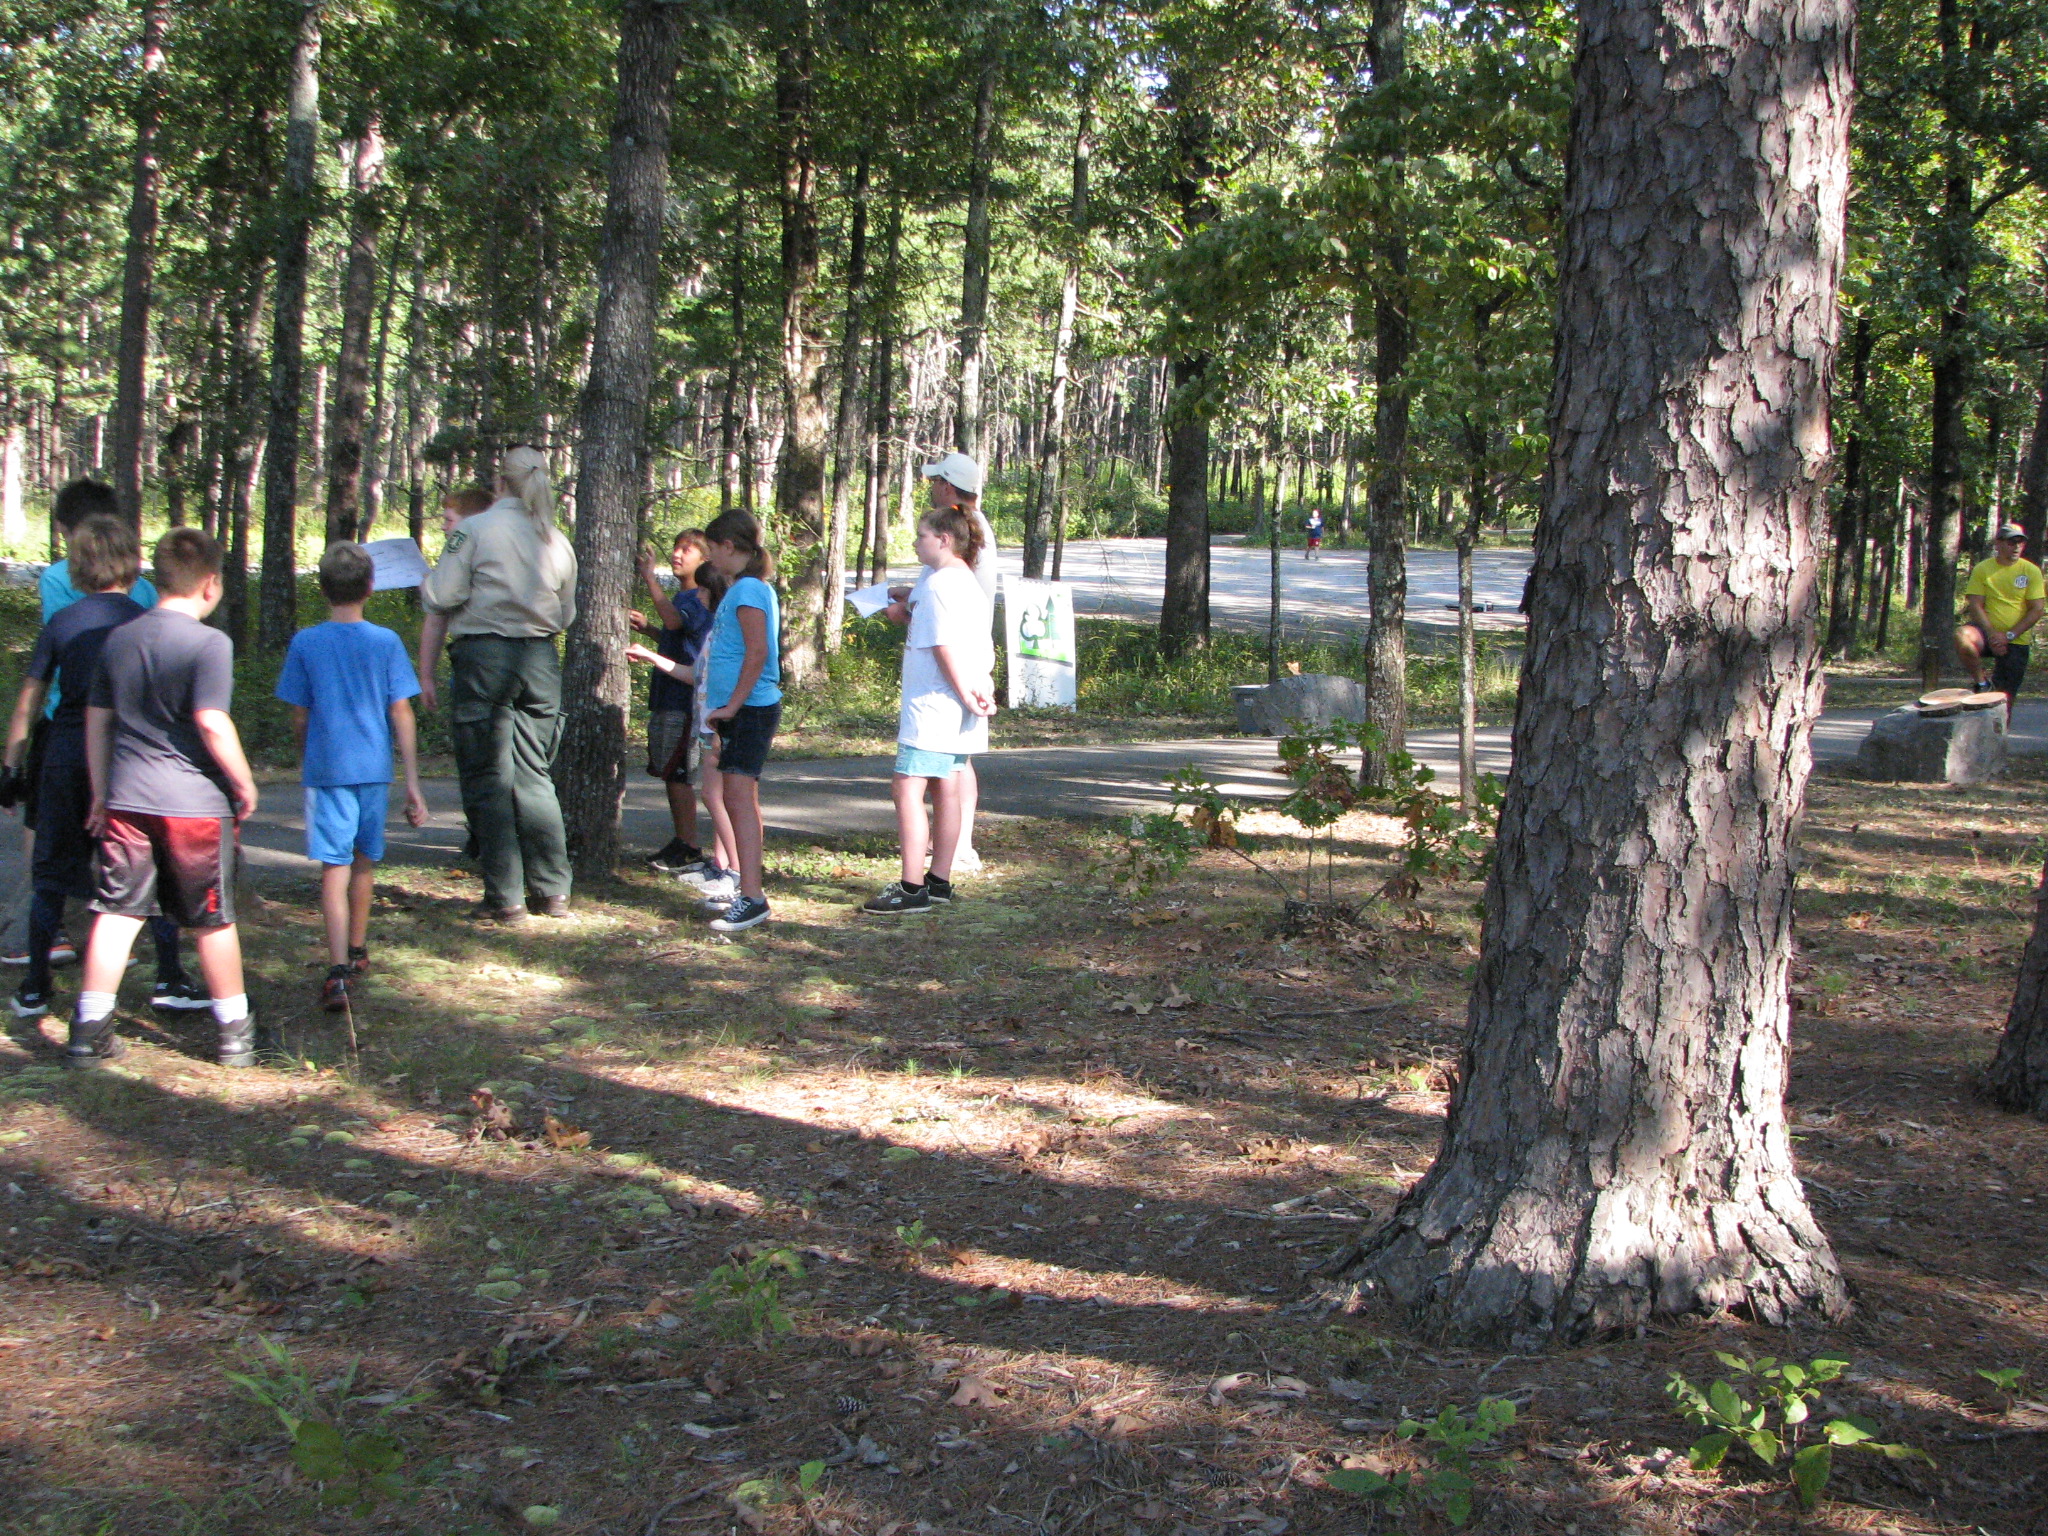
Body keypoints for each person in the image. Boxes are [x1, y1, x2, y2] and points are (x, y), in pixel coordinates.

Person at [70, 529, 259, 1068]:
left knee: (117, 911)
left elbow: (97, 720)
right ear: (211, 583)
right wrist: (243, 782)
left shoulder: (119, 639)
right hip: (193, 804)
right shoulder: (210, 643)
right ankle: (235, 1034)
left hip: (127, 799)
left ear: (156, 580)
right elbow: (212, 720)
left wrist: (101, 790)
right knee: (212, 918)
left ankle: (88, 1030)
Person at [1, 516, 199, 1022]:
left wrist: (10, 766)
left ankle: (35, 986)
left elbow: (28, 700)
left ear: (77, 567)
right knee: (148, 865)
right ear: (132, 565)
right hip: (130, 753)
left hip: (67, 752)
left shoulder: (62, 623)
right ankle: (170, 976)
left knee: (50, 871)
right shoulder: (146, 619)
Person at [1, 478, 162, 970]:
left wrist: (11, 761)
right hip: (129, 726)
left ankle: (45, 933)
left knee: (45, 827)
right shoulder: (144, 590)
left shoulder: (57, 580)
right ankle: (116, 934)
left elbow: (64, 648)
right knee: (118, 830)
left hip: (65, 719)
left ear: (66, 532)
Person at [421, 446, 577, 924]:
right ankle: (553, 890)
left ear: (500, 481)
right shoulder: (556, 539)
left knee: (488, 776)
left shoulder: (474, 530)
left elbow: (443, 594)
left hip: (485, 657)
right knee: (534, 776)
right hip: (540, 660)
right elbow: (565, 612)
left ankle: (505, 897)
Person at [276, 543, 430, 1013]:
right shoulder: (385, 642)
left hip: (328, 772)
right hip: (374, 770)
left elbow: (299, 714)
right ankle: (358, 949)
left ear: (323, 589)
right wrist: (413, 782)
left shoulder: (306, 642)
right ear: (370, 587)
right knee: (364, 862)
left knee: (334, 867)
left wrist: (305, 754)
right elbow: (401, 711)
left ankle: (338, 969)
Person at [863, 505, 998, 915]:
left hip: (935, 707)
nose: (915, 542)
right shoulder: (961, 580)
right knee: (947, 789)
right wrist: (972, 693)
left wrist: (965, 692)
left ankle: (911, 888)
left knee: (907, 788)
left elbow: (944, 647)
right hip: (956, 708)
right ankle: (938, 882)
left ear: (944, 539)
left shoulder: (939, 585)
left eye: (921, 535)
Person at [697, 509, 781, 933]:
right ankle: (748, 890)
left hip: (751, 709)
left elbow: (757, 651)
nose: (709, 558)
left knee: (739, 799)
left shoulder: (749, 589)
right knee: (736, 799)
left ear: (729, 546)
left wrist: (732, 706)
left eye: (711, 549)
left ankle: (752, 896)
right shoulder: (742, 588)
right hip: (739, 711)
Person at [914, 452, 996, 873]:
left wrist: (908, 608)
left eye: (935, 482)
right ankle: (954, 844)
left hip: (959, 657)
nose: (931, 488)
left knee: (955, 760)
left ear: (948, 486)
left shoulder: (963, 530)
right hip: (963, 654)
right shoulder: (971, 526)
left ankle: (959, 846)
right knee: (956, 760)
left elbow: (949, 600)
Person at [626, 531, 715, 872]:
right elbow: (678, 637)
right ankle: (682, 840)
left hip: (684, 699)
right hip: (668, 694)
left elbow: (676, 622)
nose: (677, 554)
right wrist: (650, 630)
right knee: (671, 773)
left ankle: (689, 846)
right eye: (676, 548)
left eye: (687, 550)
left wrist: (650, 578)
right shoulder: (684, 597)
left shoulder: (698, 598)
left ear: (704, 560)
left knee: (679, 774)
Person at [415, 485, 494, 713]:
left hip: (476, 662)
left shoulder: (460, 554)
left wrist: (428, 588)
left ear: (471, 522)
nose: (443, 527)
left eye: (449, 520)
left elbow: (437, 615)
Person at [1956, 522, 2045, 701]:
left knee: (2005, 699)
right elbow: (1975, 605)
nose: (2016, 547)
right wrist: (1992, 634)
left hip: (2016, 639)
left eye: (2020, 542)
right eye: (2011, 542)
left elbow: (2037, 609)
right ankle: (1982, 683)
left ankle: (2000, 717)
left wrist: (2009, 636)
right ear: (1998, 544)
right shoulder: (1983, 569)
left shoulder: (2031, 571)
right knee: (1962, 635)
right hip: (1987, 633)